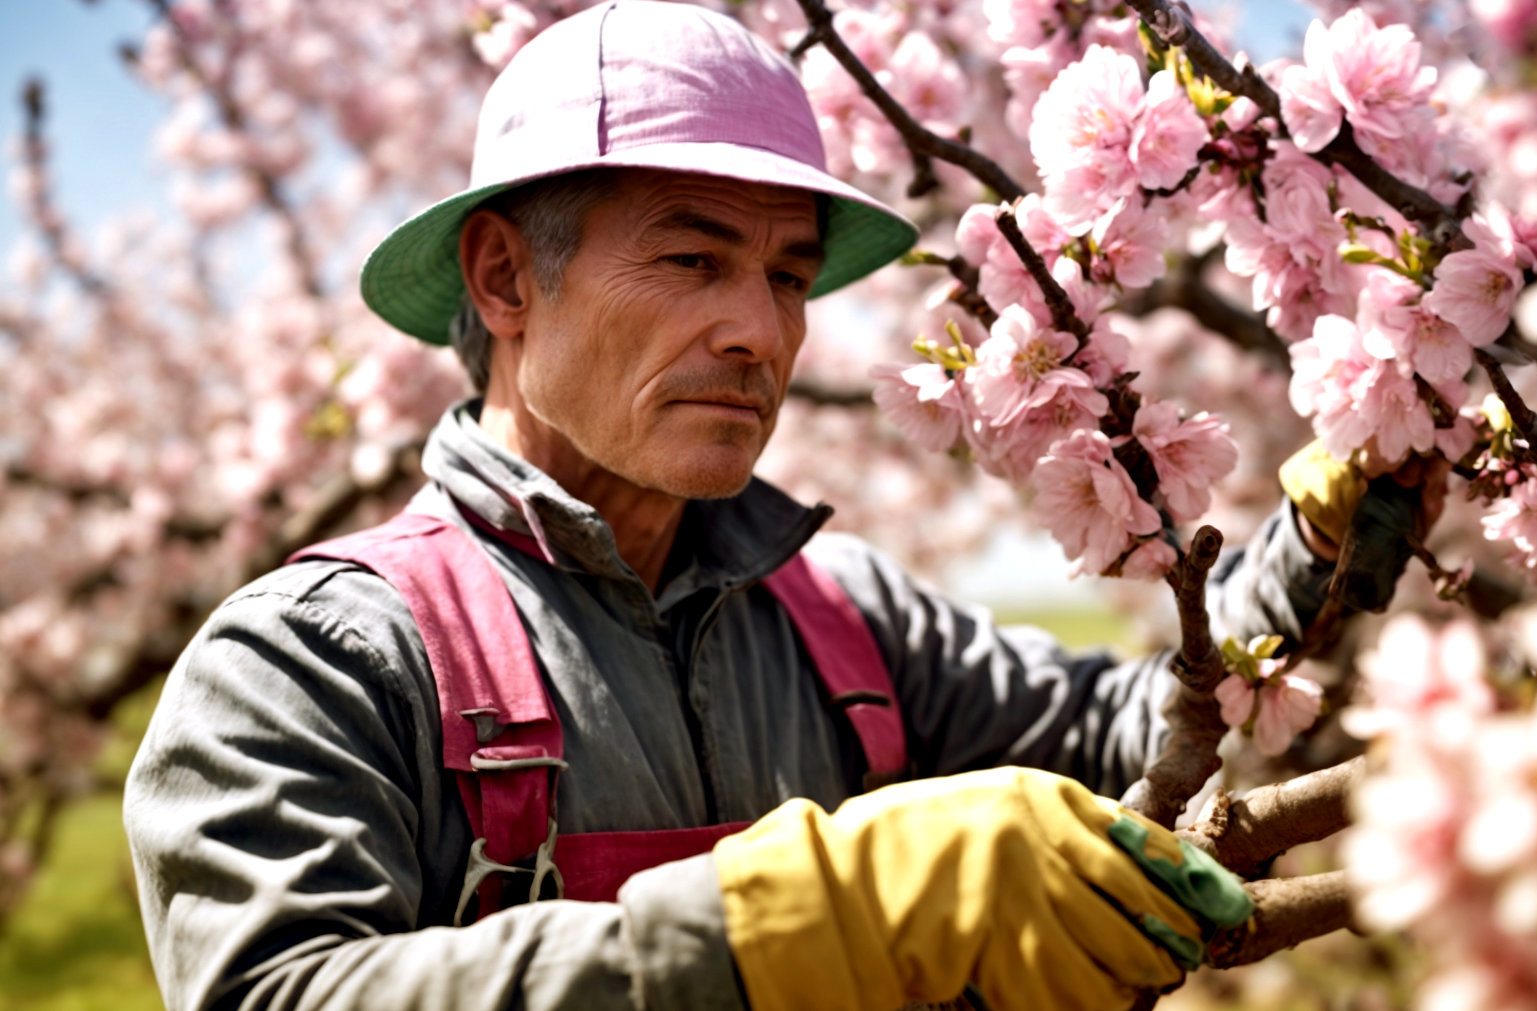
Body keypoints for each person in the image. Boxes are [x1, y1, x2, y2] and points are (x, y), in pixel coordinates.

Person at [123, 5, 1420, 1010]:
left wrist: (1312, 547)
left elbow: (1130, 731)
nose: (760, 331)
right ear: (506, 275)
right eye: (692, 258)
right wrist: (797, 920)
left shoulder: (847, 621)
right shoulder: (313, 660)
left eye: (788, 276)